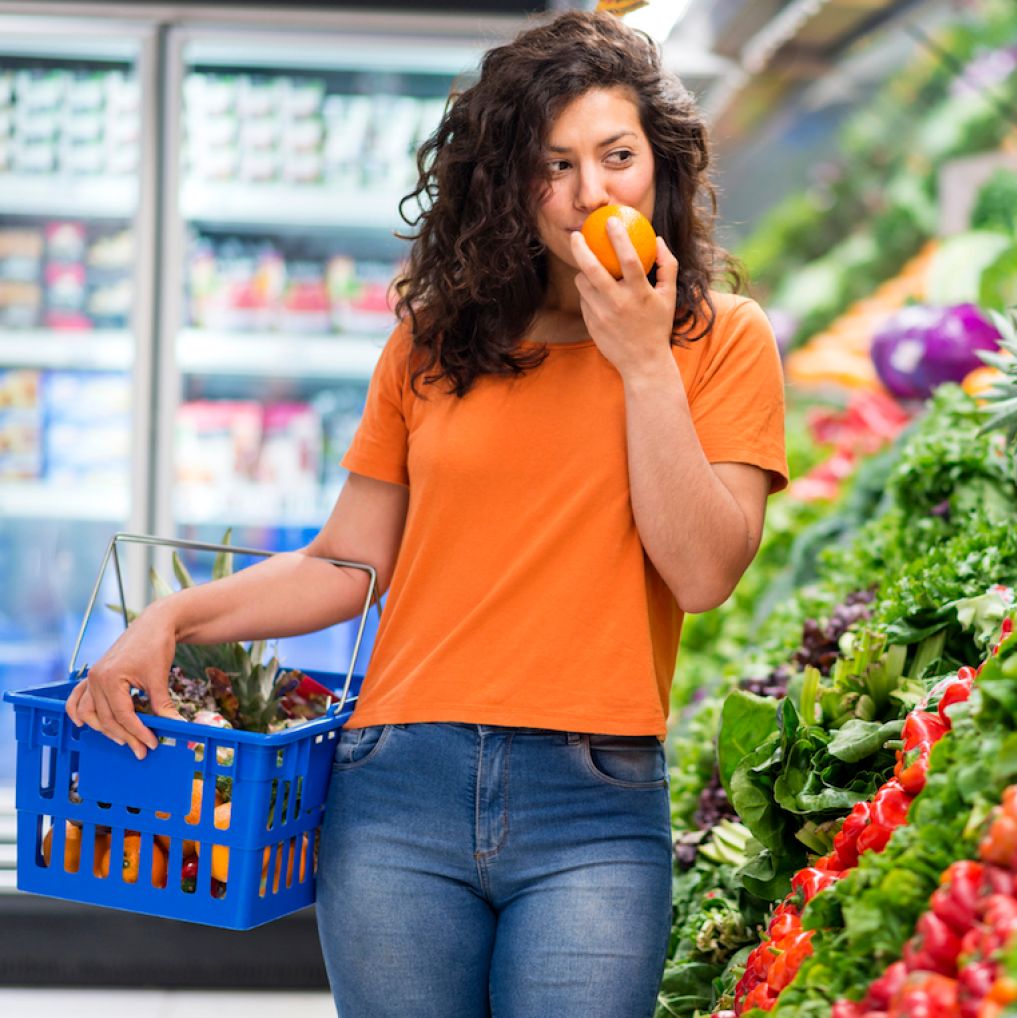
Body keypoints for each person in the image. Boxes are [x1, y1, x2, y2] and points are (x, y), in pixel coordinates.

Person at [64, 10, 787, 1017]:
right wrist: (168, 618)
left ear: (657, 166)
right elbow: (346, 563)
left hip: (593, 800)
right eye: (555, 163)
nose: (591, 192)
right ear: (508, 184)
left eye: (617, 156)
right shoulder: (434, 343)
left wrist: (643, 362)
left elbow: (704, 573)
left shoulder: (722, 342)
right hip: (398, 786)